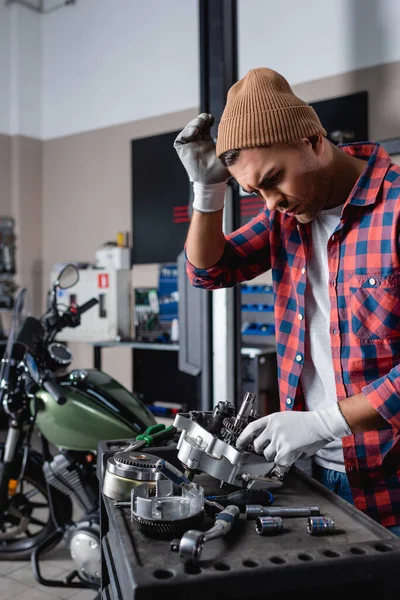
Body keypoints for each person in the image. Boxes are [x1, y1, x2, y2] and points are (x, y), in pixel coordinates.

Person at [173, 67, 400, 535]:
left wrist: (323, 421)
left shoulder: (395, 207)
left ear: (314, 141)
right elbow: (208, 269)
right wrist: (208, 191)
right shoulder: (287, 217)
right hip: (313, 473)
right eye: (256, 191)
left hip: (391, 480)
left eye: (274, 178)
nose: (271, 203)